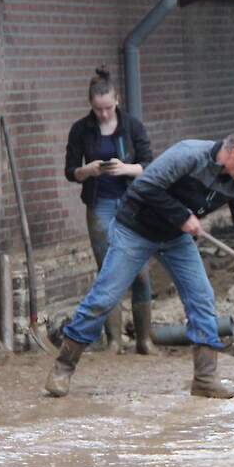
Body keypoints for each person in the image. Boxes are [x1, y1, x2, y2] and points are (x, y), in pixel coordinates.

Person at [46, 127, 234, 399]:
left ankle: (205, 378)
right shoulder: (189, 154)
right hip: (135, 229)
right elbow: (145, 186)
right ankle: (63, 367)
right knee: (105, 296)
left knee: (202, 298)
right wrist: (182, 215)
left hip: (176, 237)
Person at [64, 67, 157, 355]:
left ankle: (145, 340)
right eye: (97, 109)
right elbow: (70, 171)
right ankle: (114, 341)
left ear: (116, 100)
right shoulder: (81, 129)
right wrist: (87, 170)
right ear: (90, 105)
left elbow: (150, 164)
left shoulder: (132, 126)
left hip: (132, 203)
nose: (103, 114)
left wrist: (125, 168)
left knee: (140, 270)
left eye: (107, 108)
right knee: (109, 271)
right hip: (99, 203)